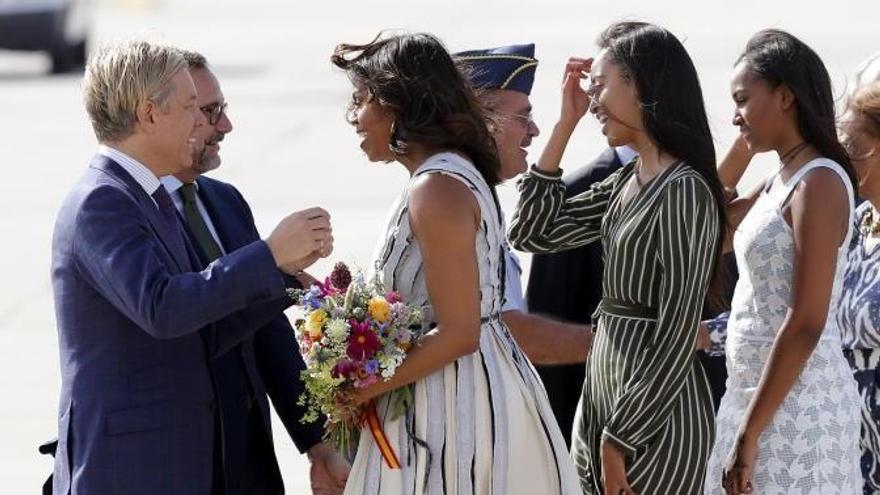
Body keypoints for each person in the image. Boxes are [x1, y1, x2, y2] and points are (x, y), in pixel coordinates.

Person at [50, 40, 332, 494]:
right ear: (149, 114)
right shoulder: (102, 201)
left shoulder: (151, 198)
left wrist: (283, 280)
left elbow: (207, 330)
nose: (204, 122)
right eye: (191, 108)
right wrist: (268, 255)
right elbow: (164, 308)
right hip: (138, 470)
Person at [333, 33, 582, 494]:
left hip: (453, 408)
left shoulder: (437, 186)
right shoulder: (442, 176)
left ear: (396, 105)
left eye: (362, 99)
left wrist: (364, 386)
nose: (354, 116)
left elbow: (459, 333)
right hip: (454, 391)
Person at [508, 21, 726, 494]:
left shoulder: (684, 190)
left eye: (600, 86)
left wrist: (619, 439)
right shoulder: (626, 182)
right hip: (604, 405)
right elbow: (531, 231)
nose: (591, 103)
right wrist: (563, 127)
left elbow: (676, 330)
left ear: (641, 86)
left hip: (652, 424)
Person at [160, 50, 349, 494]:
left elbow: (267, 331)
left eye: (222, 110)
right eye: (209, 112)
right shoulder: (128, 211)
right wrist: (272, 260)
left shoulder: (225, 201)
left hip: (247, 464)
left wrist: (318, 443)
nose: (225, 126)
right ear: (165, 115)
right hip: (176, 463)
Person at [703, 29, 862, 494]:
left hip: (799, 405)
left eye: (743, 100)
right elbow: (709, 231)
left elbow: (807, 320)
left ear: (785, 95)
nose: (734, 116)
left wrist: (749, 434)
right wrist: (744, 142)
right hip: (750, 398)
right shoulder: (780, 177)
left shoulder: (820, 182)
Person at [454, 43, 591, 365]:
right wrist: (649, 345)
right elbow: (512, 333)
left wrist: (566, 124)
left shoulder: (472, 196)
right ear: (479, 121)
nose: (534, 130)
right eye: (522, 117)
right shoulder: (454, 201)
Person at [840, 81, 880, 494]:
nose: (842, 155)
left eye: (852, 144)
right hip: (848, 452)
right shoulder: (855, 221)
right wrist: (709, 333)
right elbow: (803, 309)